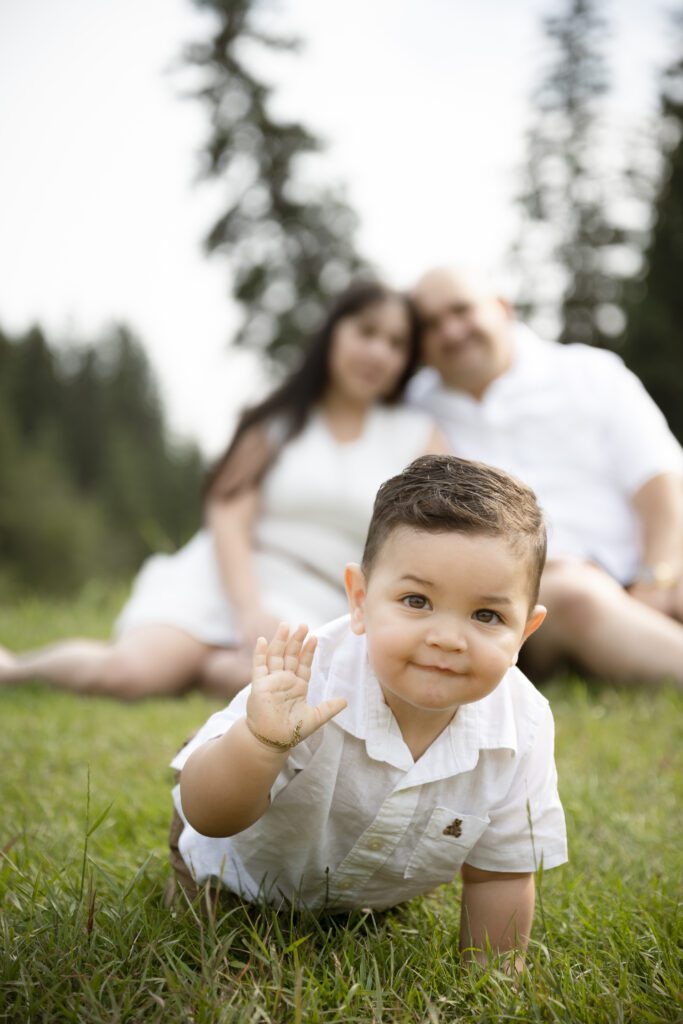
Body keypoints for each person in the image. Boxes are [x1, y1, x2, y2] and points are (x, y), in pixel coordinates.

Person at [170, 455, 567, 969]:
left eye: (487, 615)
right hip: (235, 870)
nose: (447, 638)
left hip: (370, 891)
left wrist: (489, 982)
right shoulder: (309, 680)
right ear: (359, 600)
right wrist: (261, 743)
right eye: (416, 601)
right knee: (212, 939)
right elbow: (209, 816)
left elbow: (500, 873)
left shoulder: (524, 725)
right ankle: (215, 744)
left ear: (524, 633)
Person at [0, 280, 446, 698]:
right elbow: (229, 516)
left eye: (396, 344)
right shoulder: (277, 419)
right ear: (333, 333)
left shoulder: (419, 435)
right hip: (227, 575)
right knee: (130, 674)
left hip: (320, 598)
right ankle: (17, 668)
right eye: (366, 332)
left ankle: (205, 667)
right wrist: (248, 610)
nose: (378, 352)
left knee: (282, 682)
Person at [409, 266, 683, 687]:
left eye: (461, 311)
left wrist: (657, 578)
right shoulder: (416, 412)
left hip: (651, 564)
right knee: (577, 597)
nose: (450, 332)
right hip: (546, 590)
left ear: (502, 308)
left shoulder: (590, 372)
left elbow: (662, 483)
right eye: (430, 325)